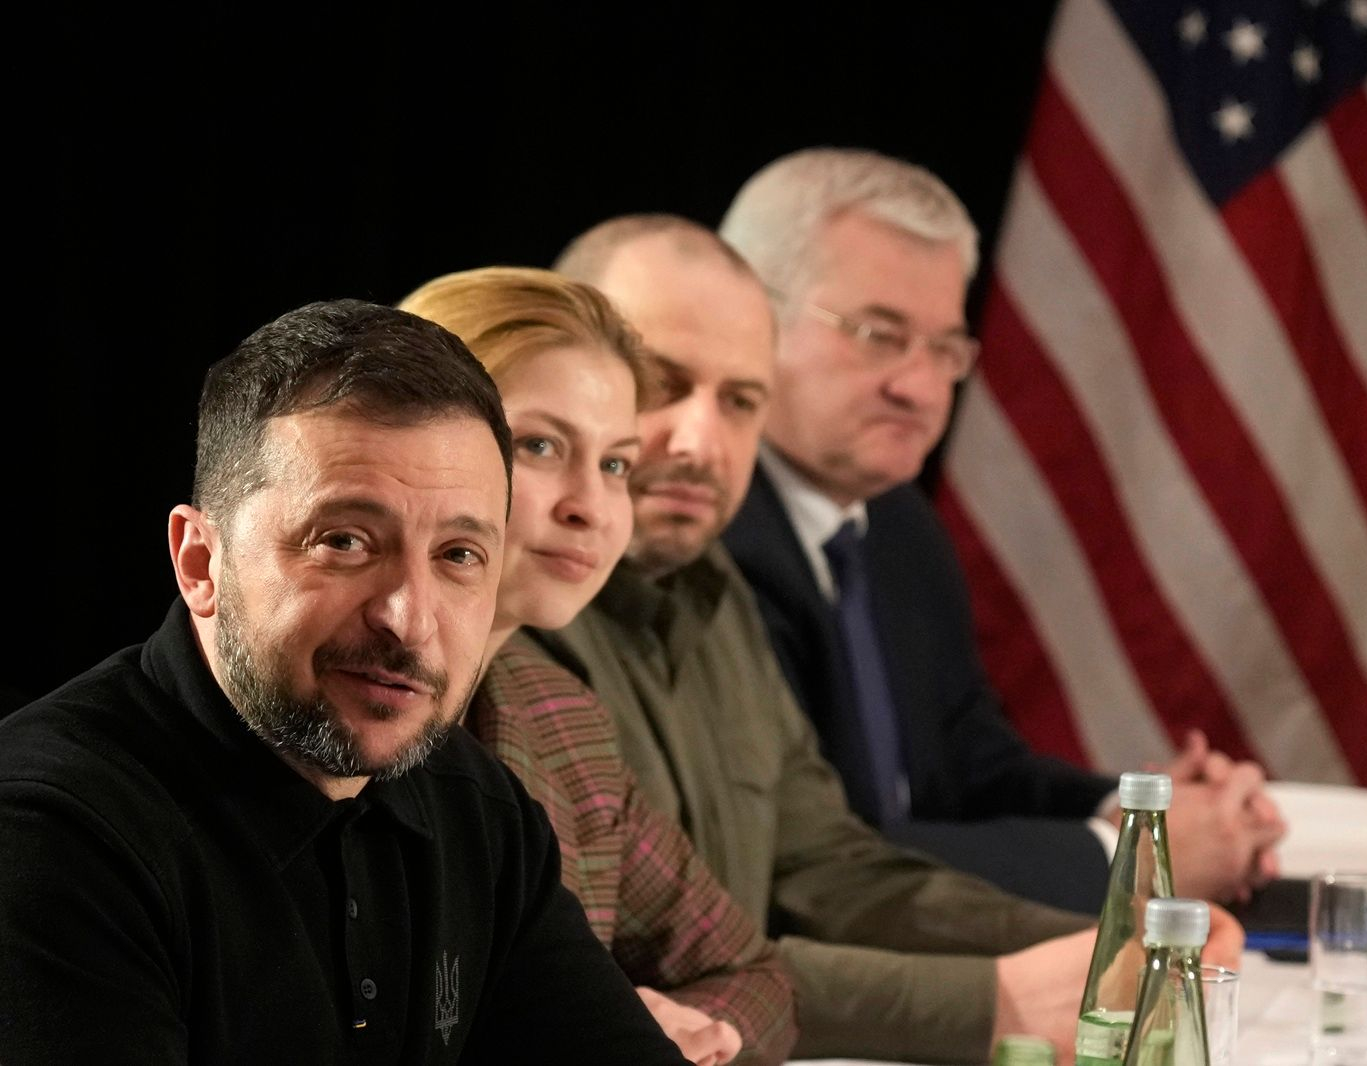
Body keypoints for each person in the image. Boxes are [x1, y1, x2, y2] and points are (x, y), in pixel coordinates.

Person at [539, 215, 1244, 1064]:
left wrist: (1111, 944)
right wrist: (1001, 998)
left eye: (740, 401)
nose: (699, 442)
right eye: (660, 383)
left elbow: (824, 869)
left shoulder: (710, 588)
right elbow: (611, 977)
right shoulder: (511, 629)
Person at [0, 300, 690, 1065]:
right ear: (201, 561)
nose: (409, 618)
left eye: (459, 555)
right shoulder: (49, 834)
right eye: (345, 541)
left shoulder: (481, 814)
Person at [717, 147, 1287, 912]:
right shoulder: (709, 539)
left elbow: (972, 772)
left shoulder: (896, 523)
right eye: (878, 334)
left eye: (945, 348)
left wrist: (1146, 812)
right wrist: (1127, 857)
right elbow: (810, 864)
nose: (919, 387)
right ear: (748, 315)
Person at [397, 266, 796, 1066]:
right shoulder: (316, 714)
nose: (590, 505)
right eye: (540, 446)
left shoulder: (560, 718)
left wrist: (693, 1026)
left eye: (615, 463)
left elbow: (753, 975)